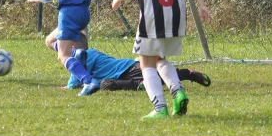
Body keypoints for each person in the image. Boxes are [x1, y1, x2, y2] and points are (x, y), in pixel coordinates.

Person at [65, 48, 211, 91]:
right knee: (106, 85)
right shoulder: (79, 63)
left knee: (156, 77)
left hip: (128, 69)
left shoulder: (88, 55)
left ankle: (188, 74)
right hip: (121, 78)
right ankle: (140, 84)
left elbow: (73, 84)